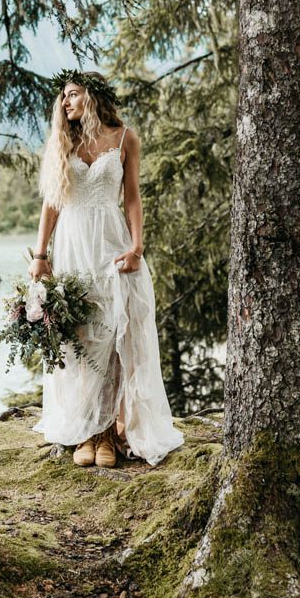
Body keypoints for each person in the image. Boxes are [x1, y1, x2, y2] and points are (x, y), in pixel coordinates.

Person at [30, 69, 184, 468]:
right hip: (72, 243)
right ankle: (88, 431)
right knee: (81, 333)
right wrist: (41, 255)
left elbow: (132, 198)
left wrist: (137, 246)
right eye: (63, 96)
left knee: (117, 328)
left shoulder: (125, 137)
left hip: (112, 242)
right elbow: (51, 203)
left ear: (93, 96)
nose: (65, 102)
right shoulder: (63, 140)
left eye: (73, 94)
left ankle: (114, 431)